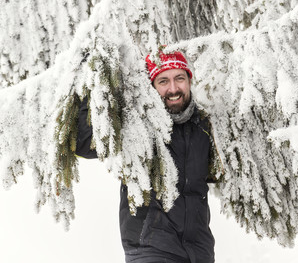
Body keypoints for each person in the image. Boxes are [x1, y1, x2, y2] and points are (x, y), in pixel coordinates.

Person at [76, 49, 215, 263]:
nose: (173, 88)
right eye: (163, 81)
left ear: (189, 80)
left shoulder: (203, 126)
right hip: (150, 249)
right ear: (151, 87)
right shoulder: (137, 124)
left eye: (179, 78)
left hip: (199, 252)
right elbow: (86, 142)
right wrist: (89, 76)